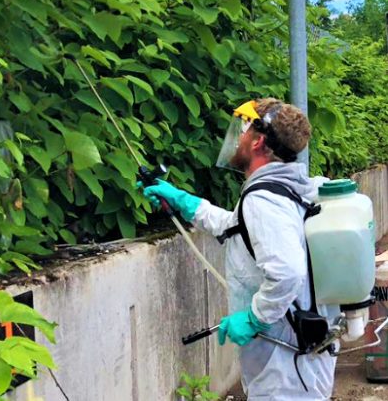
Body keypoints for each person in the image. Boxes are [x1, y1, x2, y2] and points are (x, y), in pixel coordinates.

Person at [142, 98, 339, 400]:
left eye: (242, 129)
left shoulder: (264, 200)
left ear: (258, 142)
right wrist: (185, 202)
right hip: (302, 354)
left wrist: (254, 318)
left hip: (285, 364)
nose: (236, 138)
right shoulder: (289, 188)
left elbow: (287, 272)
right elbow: (238, 228)